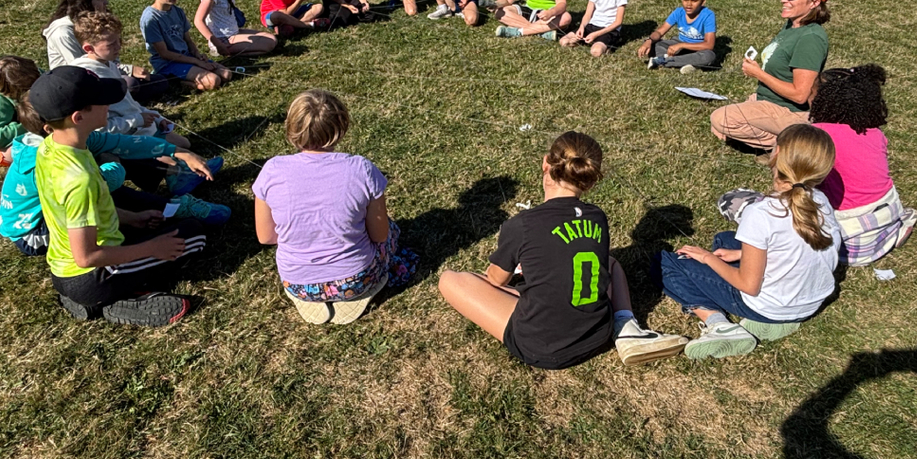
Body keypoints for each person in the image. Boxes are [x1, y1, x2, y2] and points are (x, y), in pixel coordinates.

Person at [439, 132, 688, 368]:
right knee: (611, 262)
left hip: (541, 346)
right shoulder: (597, 217)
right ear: (589, 181)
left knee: (451, 280)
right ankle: (626, 326)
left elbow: (495, 279)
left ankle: (616, 327)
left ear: (545, 163)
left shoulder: (522, 224)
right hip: (597, 333)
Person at [31, 66, 212, 326]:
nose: (109, 104)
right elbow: (86, 256)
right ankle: (110, 302)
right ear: (78, 117)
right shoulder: (78, 180)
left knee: (168, 228)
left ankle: (88, 297)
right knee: (194, 235)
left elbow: (123, 145)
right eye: (102, 100)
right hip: (92, 275)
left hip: (65, 270)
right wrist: (151, 249)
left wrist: (131, 218)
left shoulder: (53, 148)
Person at [660, 123, 840, 360]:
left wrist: (707, 258)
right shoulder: (820, 200)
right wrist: (739, 255)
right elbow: (792, 247)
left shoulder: (761, 213)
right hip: (809, 302)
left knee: (667, 263)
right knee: (725, 239)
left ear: (776, 154)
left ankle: (719, 325)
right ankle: (778, 322)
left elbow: (748, 285)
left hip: (771, 306)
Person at [252, 90, 417, 326]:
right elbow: (380, 235)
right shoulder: (361, 168)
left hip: (298, 284)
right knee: (392, 230)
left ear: (291, 128)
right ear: (341, 126)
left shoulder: (271, 170)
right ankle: (362, 290)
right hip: (356, 280)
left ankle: (316, 297)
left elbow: (266, 236)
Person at [0, 94, 229, 257]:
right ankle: (161, 225)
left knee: (112, 193)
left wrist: (177, 151)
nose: (103, 105)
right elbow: (106, 182)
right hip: (33, 231)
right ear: (72, 118)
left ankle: (175, 206)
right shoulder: (51, 164)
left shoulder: (69, 138)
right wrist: (113, 165)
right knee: (108, 198)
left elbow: (125, 143)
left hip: (66, 205)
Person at [710, 0, 832, 154]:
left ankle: (797, 144)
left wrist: (759, 74)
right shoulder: (793, 24)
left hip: (790, 110)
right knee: (719, 126)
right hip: (767, 99)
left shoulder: (811, 38)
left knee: (721, 119)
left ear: (814, 3)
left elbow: (800, 94)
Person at [809, 64, 917, 264]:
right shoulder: (876, 134)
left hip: (847, 240)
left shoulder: (817, 135)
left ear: (824, 100)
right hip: (886, 222)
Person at [70, 11, 191, 147]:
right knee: (179, 160)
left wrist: (154, 116)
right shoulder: (90, 79)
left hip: (138, 126)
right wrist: (137, 120)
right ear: (88, 48)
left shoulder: (109, 64)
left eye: (119, 40)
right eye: (111, 44)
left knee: (184, 144)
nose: (118, 47)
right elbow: (100, 129)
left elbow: (128, 103)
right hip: (122, 137)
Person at [44, 0, 165, 101]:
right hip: (79, 84)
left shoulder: (96, 24)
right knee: (130, 85)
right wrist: (129, 70)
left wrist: (126, 70)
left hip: (106, 72)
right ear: (85, 2)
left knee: (160, 81)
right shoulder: (62, 32)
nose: (106, 2)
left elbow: (111, 61)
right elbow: (81, 70)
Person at [140, 0, 233, 90]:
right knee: (213, 81)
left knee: (226, 74)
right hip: (168, 63)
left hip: (187, 57)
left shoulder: (178, 11)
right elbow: (164, 53)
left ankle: (188, 77)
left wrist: (197, 55)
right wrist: (196, 62)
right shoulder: (150, 18)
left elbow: (187, 40)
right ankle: (178, 83)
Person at [638, 0, 716, 74]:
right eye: (685, 0)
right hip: (679, 44)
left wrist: (681, 45)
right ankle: (686, 63)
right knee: (656, 44)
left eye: (694, 1)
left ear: (703, 2)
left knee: (709, 56)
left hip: (697, 49)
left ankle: (665, 61)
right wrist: (649, 41)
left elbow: (709, 45)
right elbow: (660, 32)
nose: (689, 4)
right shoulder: (679, 12)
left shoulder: (708, 15)